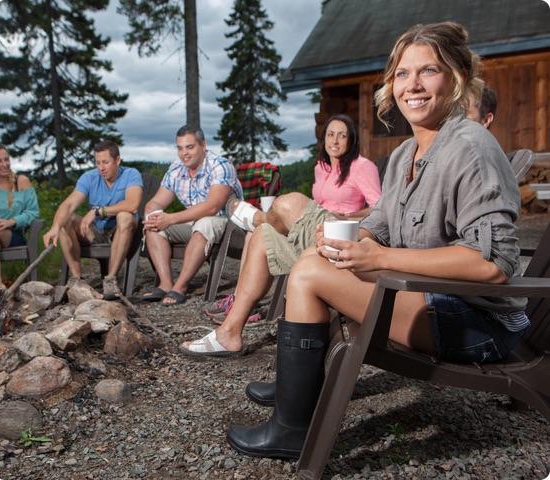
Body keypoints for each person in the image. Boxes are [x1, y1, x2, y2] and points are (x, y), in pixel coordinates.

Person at [226, 21, 530, 460]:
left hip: (477, 320)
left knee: (310, 273)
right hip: (432, 300)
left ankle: (292, 428)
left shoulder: (471, 147)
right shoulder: (407, 153)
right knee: (316, 255)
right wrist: (354, 238)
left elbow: (493, 264)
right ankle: (297, 390)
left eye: (429, 71)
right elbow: (382, 221)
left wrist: (381, 256)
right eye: (403, 74)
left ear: (456, 78)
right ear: (392, 85)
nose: (414, 85)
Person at [182, 114, 381, 355]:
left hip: (344, 233)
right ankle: (229, 332)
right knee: (261, 234)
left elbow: (378, 209)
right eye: (330, 134)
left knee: (288, 204)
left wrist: (345, 215)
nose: (335, 140)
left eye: (342, 135)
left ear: (352, 140)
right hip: (318, 236)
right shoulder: (322, 168)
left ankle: (258, 216)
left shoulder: (363, 167)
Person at [141, 125, 243, 306]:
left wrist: (170, 218)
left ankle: (180, 287)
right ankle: (165, 284)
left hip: (227, 224)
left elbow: (212, 207)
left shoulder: (220, 165)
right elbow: (157, 201)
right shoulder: (175, 169)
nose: (184, 153)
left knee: (204, 223)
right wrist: (152, 213)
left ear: (203, 145)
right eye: (179, 148)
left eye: (190, 147)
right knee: (154, 226)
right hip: (194, 223)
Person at [43, 140, 143, 299]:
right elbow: (68, 205)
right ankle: (77, 280)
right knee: (65, 221)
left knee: (124, 216)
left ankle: (111, 280)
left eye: (106, 162)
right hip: (97, 232)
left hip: (123, 229)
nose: (101, 168)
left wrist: (98, 211)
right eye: (98, 163)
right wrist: (55, 226)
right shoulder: (89, 177)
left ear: (117, 160)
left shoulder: (131, 174)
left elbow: (132, 205)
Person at [0, 144, 39, 289]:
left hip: (14, 235)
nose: (4, 164)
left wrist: (11, 221)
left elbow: (33, 212)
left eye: (6, 159)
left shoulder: (20, 181)